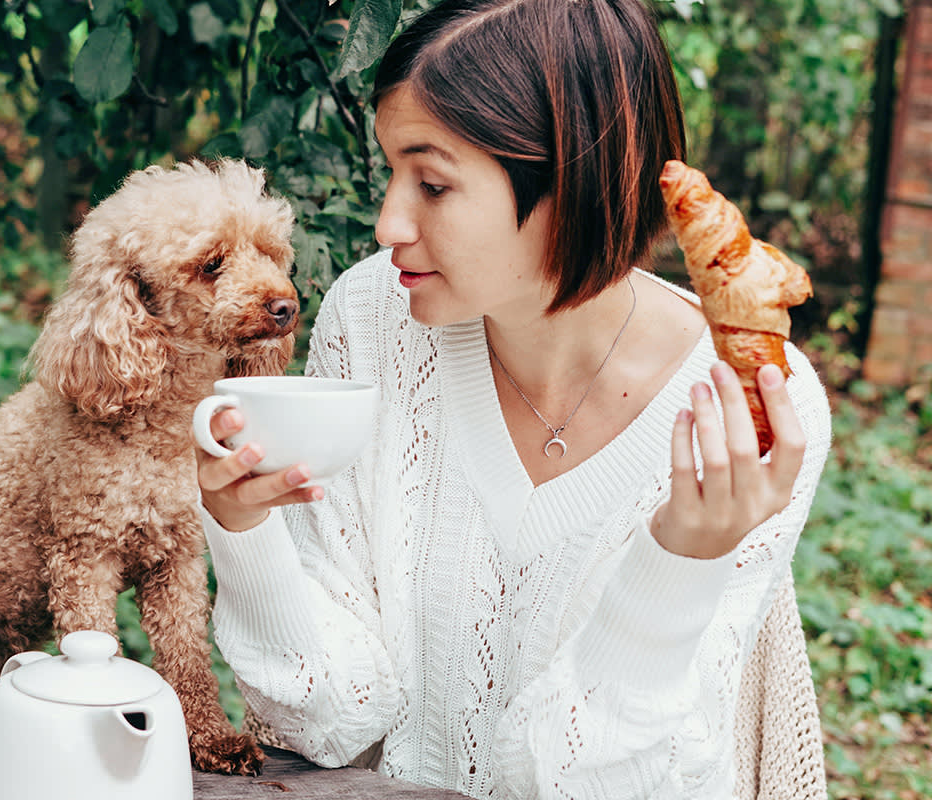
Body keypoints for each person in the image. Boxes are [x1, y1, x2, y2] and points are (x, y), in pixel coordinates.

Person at [195, 0, 832, 797]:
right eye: (393, 173)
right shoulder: (376, 317)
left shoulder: (758, 412)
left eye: (431, 182)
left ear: (575, 176)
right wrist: (247, 529)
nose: (390, 221)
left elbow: (592, 783)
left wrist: (679, 561)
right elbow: (327, 720)